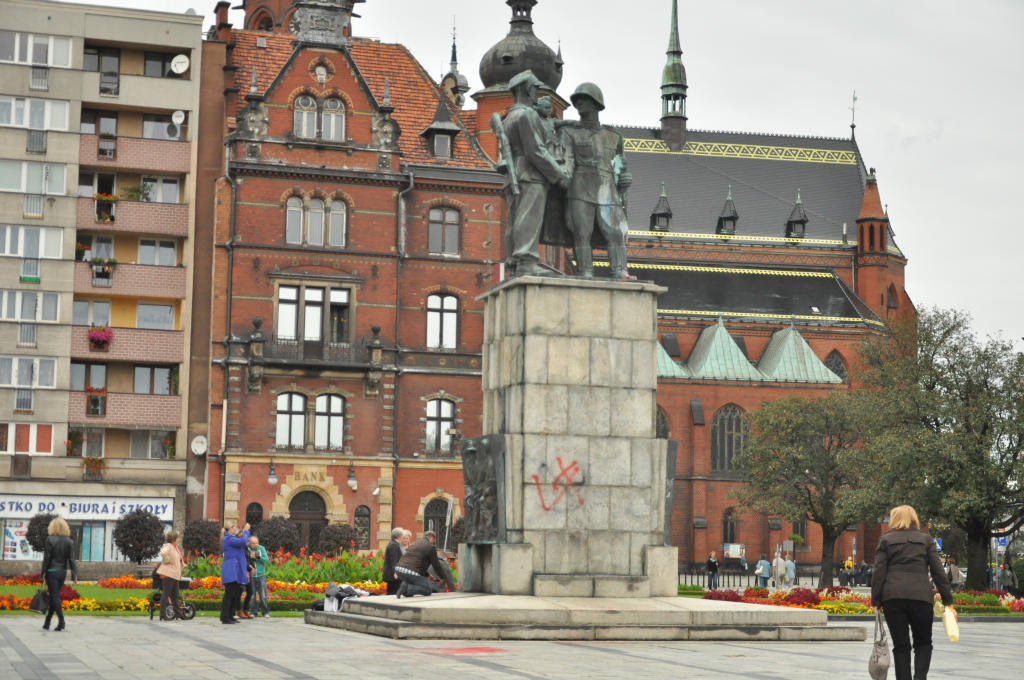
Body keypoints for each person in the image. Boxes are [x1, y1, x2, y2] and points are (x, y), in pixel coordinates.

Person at [498, 69, 570, 276]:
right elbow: (536, 151)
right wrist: (558, 175)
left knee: (514, 219)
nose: (536, 93)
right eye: (534, 89)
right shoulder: (527, 114)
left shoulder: (509, 117)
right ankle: (527, 261)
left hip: (513, 174)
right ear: (526, 89)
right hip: (530, 173)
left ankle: (513, 261)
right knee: (528, 217)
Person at [559, 82, 632, 280]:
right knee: (582, 234)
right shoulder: (569, 132)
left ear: (597, 104)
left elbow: (619, 166)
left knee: (615, 232)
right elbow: (567, 161)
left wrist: (624, 180)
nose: (579, 104)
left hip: (608, 189)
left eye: (584, 100)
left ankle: (619, 270)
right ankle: (585, 272)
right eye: (577, 100)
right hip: (579, 188)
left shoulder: (614, 136)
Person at [872, 505, 952, 680]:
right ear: (914, 518)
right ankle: (920, 678)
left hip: (893, 598)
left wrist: (876, 601)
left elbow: (879, 573)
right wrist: (948, 600)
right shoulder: (926, 540)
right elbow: (938, 571)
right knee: (923, 643)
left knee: (901, 646)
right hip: (921, 597)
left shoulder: (886, 539)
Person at [41, 517, 77, 632]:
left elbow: (47, 558)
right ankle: (47, 622)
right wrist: (74, 573)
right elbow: (72, 559)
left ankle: (61, 621)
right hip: (62, 572)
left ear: (52, 527)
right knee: (54, 596)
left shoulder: (49, 539)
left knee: (54, 596)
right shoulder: (69, 541)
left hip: (52, 571)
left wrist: (43, 573)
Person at [394, 531, 454, 598]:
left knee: (413, 585)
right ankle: (407, 587)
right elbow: (436, 565)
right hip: (410, 571)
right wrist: (442, 577)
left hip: (399, 570)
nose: (433, 542)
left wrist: (428, 575)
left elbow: (417, 564)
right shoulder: (430, 547)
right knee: (427, 589)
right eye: (434, 541)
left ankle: (406, 590)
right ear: (431, 538)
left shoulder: (415, 544)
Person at [219, 522, 250, 624]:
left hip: (235, 569)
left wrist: (241, 534)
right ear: (230, 529)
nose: (236, 528)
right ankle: (225, 617)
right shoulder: (228, 539)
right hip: (230, 570)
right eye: (234, 527)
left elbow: (241, 543)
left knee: (235, 593)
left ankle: (231, 615)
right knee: (229, 594)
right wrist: (245, 531)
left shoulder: (232, 538)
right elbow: (243, 542)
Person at [156, 530, 185, 621]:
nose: (179, 539)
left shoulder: (175, 547)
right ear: (174, 539)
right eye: (178, 538)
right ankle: (163, 614)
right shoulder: (169, 546)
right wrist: (167, 560)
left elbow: (178, 559)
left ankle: (178, 614)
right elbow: (163, 553)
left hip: (174, 574)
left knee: (175, 595)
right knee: (166, 594)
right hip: (168, 575)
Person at [247, 535, 270, 618]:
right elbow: (244, 559)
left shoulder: (261, 548)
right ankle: (253, 612)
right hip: (251, 575)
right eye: (253, 543)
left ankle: (265, 612)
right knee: (252, 595)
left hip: (261, 575)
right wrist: (250, 556)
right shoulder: (247, 548)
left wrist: (257, 557)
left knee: (263, 595)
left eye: (256, 543)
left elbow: (267, 560)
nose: (255, 545)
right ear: (250, 543)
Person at [382, 527, 404, 595]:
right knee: (393, 594)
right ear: (399, 536)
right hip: (393, 576)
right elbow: (394, 560)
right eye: (402, 536)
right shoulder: (394, 545)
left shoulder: (394, 544)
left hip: (392, 575)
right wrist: (396, 572)